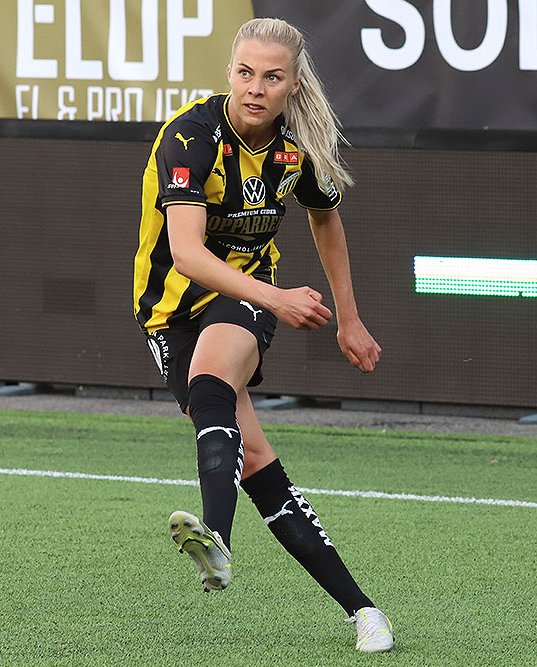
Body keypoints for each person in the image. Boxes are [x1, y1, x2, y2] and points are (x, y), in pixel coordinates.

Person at [132, 17, 394, 654]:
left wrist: (349, 317)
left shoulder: (297, 146)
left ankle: (216, 539)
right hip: (170, 308)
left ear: (292, 83)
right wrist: (280, 298)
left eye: (272, 77)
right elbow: (187, 254)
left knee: (212, 379)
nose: (256, 87)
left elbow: (326, 220)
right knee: (253, 458)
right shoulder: (191, 136)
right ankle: (364, 610)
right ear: (229, 72)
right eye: (245, 72)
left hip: (247, 293)